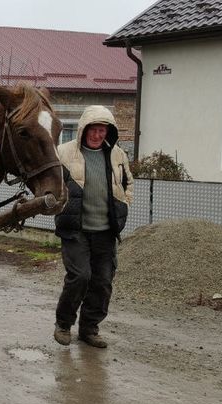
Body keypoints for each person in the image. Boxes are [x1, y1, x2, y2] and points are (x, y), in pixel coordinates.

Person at [53, 105, 133, 348]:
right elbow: (52, 183)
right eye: (94, 129)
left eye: (103, 130)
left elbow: (128, 182)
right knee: (80, 276)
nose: (98, 135)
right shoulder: (64, 153)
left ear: (109, 132)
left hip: (106, 230)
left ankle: (89, 329)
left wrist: (125, 204)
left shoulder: (117, 154)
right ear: (83, 129)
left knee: (103, 281)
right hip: (75, 229)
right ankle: (64, 324)